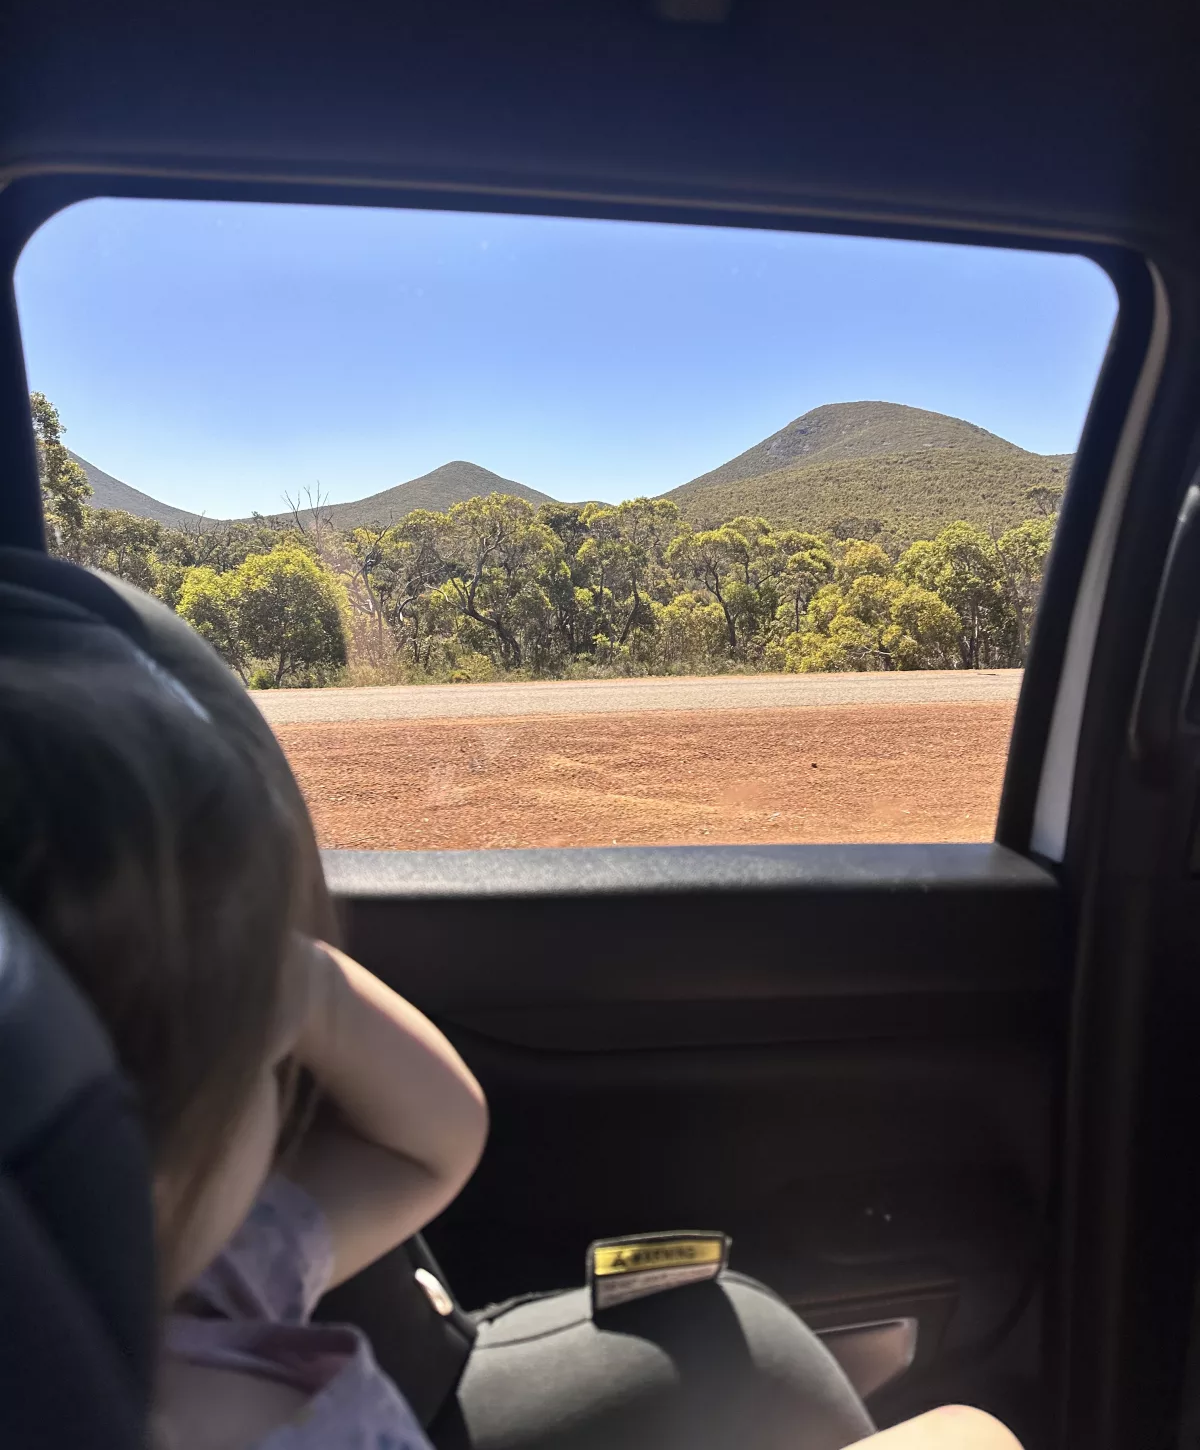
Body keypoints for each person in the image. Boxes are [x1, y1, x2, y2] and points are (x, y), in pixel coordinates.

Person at [0, 570, 1024, 1450]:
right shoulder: (217, 1301)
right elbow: (434, 1141)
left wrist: (282, 975)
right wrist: (301, 977)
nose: (278, 1083)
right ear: (108, 1135)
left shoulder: (214, 1283)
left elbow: (436, 1141)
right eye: (254, 1064)